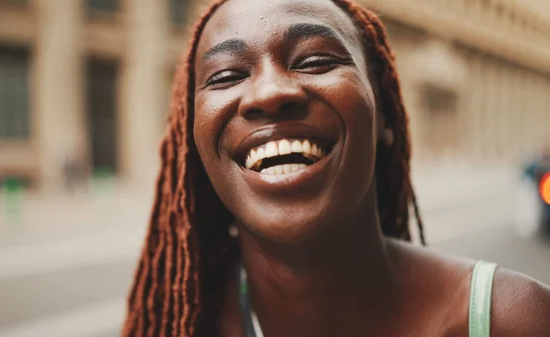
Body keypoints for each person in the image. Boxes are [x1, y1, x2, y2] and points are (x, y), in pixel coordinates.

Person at [122, 1, 550, 336]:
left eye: (313, 61)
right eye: (226, 76)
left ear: (383, 112)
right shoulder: (182, 319)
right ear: (190, 137)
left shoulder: (510, 321)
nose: (269, 93)